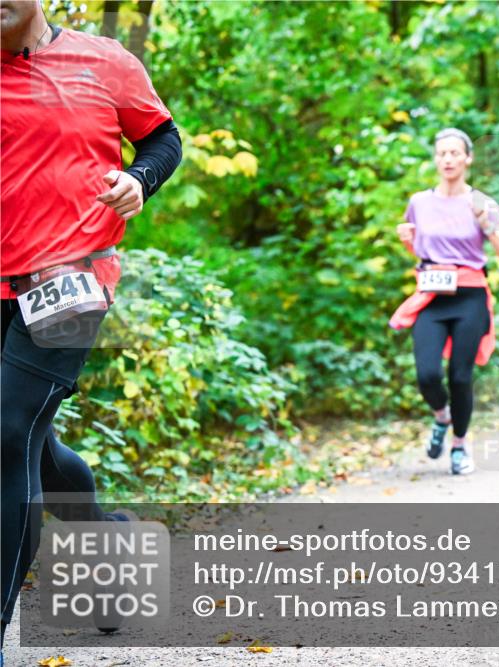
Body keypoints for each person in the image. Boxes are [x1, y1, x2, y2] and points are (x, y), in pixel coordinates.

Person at [1, 0, 182, 651]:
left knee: (5, 432)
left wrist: (140, 179)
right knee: (33, 446)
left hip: (68, 279)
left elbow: (163, 138)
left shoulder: (103, 61)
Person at [391, 128, 499, 475]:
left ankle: (460, 446)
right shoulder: (419, 202)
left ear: (468, 159)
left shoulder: (481, 202)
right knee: (427, 373)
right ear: (436, 159)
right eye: (441, 153)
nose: (447, 159)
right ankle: (441, 417)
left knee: (460, 377)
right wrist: (407, 242)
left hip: (470, 296)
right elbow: (421, 253)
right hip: (432, 295)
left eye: (454, 153)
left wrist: (490, 227)